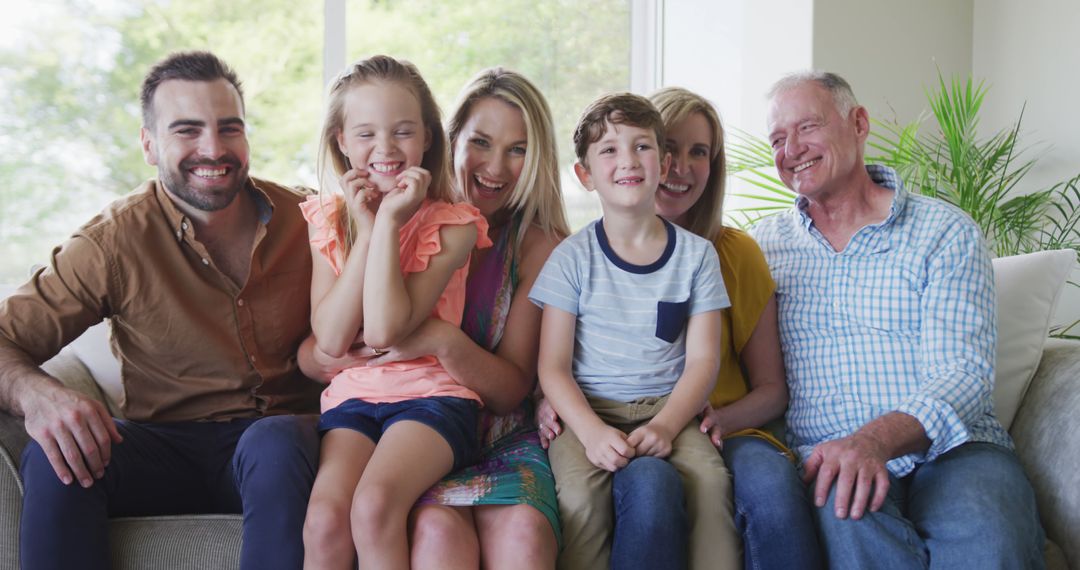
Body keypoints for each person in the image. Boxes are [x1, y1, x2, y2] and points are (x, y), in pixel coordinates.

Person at [0, 51, 322, 569]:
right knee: (57, 455)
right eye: (187, 130)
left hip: (283, 447)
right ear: (149, 144)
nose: (213, 148)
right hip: (166, 445)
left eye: (229, 128)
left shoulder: (310, 222)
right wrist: (37, 395)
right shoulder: (111, 242)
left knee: (276, 439)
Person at [752, 71, 1045, 568]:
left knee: (991, 545)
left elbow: (964, 373)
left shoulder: (944, 231)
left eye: (808, 127)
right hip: (830, 458)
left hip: (956, 450)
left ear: (859, 123)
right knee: (847, 522)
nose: (792, 149)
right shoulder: (762, 248)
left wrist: (873, 441)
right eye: (778, 139)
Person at [299, 66, 568, 570]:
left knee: (515, 539)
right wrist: (327, 352)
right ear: (452, 140)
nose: (496, 166)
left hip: (465, 419)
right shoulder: (353, 214)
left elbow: (509, 389)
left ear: (425, 137)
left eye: (518, 149)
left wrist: (438, 339)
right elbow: (323, 348)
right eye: (482, 142)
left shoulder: (505, 239)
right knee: (349, 520)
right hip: (375, 410)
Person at [530, 92, 740, 570]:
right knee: (581, 497)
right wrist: (589, 431)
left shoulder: (697, 257)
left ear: (664, 163)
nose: (628, 160)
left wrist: (667, 425)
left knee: (710, 483)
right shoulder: (570, 259)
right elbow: (553, 366)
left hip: (670, 408)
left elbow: (704, 360)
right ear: (585, 175)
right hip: (588, 408)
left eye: (642, 147)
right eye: (608, 150)